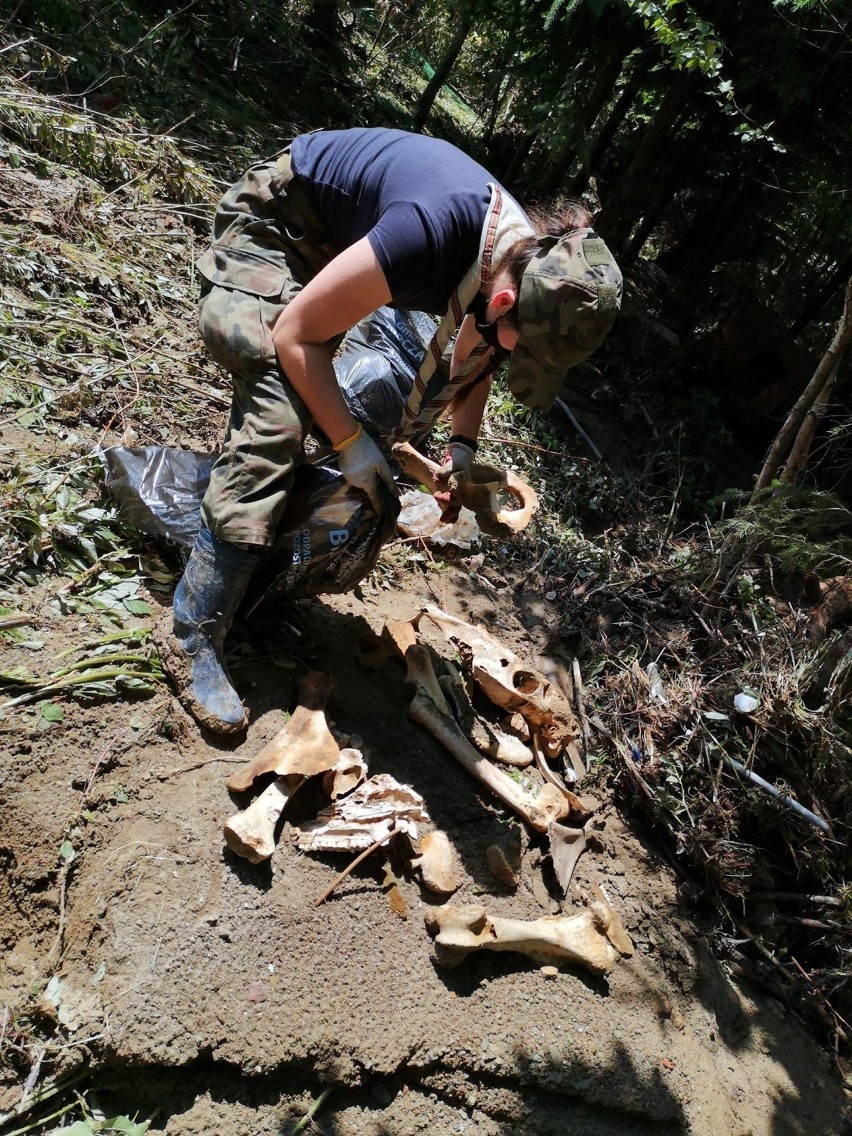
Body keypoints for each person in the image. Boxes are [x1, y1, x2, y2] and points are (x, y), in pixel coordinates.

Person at [164, 126, 622, 733]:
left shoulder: (520, 261)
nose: (513, 357)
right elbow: (295, 335)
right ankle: (192, 634)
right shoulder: (434, 234)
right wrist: (349, 444)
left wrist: (460, 451)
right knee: (280, 412)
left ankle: (248, 572)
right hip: (278, 224)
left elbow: (480, 355)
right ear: (507, 301)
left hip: (347, 250)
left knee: (362, 476)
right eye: (520, 346)